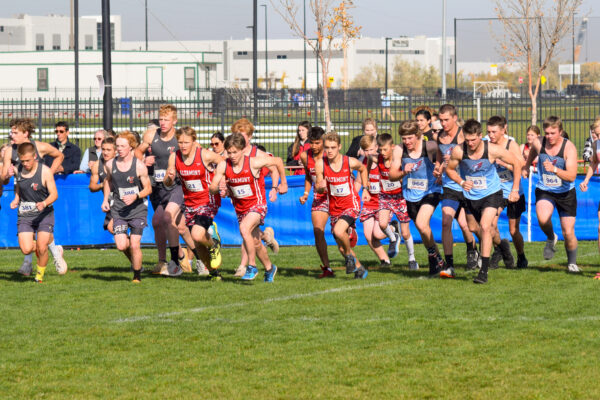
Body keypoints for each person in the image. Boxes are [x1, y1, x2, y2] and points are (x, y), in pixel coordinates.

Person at [446, 119, 521, 284]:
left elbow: (517, 162)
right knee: (474, 228)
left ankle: (483, 272)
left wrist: (515, 189)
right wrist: (461, 182)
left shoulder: (492, 149)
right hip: (471, 196)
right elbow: (449, 169)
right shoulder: (459, 151)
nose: (470, 143)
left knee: (486, 227)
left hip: (492, 194)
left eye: (473, 139)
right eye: (467, 140)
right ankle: (502, 247)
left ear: (480, 136)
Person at [209, 133, 286, 282]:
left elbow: (277, 161)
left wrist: (283, 183)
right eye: (229, 152)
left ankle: (251, 266)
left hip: (257, 205)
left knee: (244, 229)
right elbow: (212, 187)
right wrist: (219, 187)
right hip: (241, 209)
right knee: (256, 242)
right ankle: (270, 268)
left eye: (235, 152)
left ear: (242, 150)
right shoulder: (224, 165)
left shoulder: (253, 163)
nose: (232, 156)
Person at [2, 118, 67, 276]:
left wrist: (48, 174)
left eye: (15, 132)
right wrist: (7, 175)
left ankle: (54, 254)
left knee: (42, 231)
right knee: (27, 235)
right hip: (23, 198)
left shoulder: (40, 147)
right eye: (11, 131)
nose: (12, 135)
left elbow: (59, 156)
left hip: (41, 197)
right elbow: (4, 178)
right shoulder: (10, 151)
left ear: (26, 133)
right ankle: (30, 262)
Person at [135, 104, 193, 276]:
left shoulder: (180, 137)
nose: (163, 123)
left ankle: (189, 259)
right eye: (161, 119)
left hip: (177, 186)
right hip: (158, 187)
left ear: (174, 121)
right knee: (163, 223)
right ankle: (168, 260)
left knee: (170, 221)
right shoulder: (151, 135)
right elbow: (138, 152)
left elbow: (194, 154)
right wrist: (145, 160)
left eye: (167, 120)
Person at [164, 127, 224, 280]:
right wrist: (169, 177)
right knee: (197, 244)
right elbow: (167, 181)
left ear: (194, 141)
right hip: (190, 202)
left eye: (186, 142)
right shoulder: (174, 157)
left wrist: (219, 180)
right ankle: (214, 272)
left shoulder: (204, 154)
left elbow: (223, 163)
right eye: (180, 142)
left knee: (197, 235)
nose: (183, 145)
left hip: (207, 199)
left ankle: (214, 244)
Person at [523, 116, 579, 273]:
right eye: (546, 133)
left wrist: (554, 169)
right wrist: (527, 166)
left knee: (568, 232)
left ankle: (572, 263)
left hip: (566, 192)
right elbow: (534, 150)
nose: (549, 137)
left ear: (560, 132)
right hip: (545, 189)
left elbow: (572, 176)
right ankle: (551, 237)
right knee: (542, 218)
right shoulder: (539, 142)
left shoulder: (569, 148)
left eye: (553, 133)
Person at [230, 118, 286, 276]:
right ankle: (268, 262)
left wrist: (275, 187)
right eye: (236, 134)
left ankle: (245, 265)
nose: (239, 138)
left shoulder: (258, 154)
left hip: (256, 199)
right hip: (240, 201)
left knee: (245, 230)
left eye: (243, 135)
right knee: (253, 239)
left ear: (250, 136)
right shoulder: (232, 154)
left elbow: (275, 168)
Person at [315, 131, 370, 279]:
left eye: (333, 147)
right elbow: (319, 186)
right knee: (341, 245)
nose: (330, 151)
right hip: (334, 207)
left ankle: (349, 259)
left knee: (339, 232)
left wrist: (365, 188)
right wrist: (321, 187)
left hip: (351, 204)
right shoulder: (321, 164)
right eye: (327, 147)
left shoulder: (349, 161)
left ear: (339, 146)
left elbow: (363, 169)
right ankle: (359, 269)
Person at [395, 120, 447, 276]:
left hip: (431, 190)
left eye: (410, 138)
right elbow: (392, 174)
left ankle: (435, 259)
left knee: (421, 223)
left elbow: (444, 155)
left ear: (418, 135)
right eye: (404, 138)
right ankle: (437, 259)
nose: (407, 142)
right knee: (423, 230)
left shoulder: (429, 146)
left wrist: (439, 169)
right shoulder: (399, 150)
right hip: (410, 195)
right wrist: (403, 172)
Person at [435, 104, 480, 273]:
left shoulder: (463, 136)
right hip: (450, 185)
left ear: (455, 118)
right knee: (446, 222)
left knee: (465, 224)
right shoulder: (440, 136)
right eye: (441, 120)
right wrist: (438, 168)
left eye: (446, 120)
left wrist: (455, 158)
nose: (443, 123)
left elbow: (474, 157)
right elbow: (440, 155)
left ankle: (472, 250)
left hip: (466, 184)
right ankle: (449, 264)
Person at [102, 132, 152, 283]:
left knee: (135, 244)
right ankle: (137, 261)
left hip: (137, 209)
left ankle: (137, 276)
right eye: (117, 146)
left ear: (131, 147)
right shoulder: (110, 165)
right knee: (121, 245)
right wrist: (105, 199)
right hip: (119, 210)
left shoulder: (139, 166)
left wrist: (135, 196)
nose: (119, 149)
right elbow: (108, 181)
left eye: (123, 146)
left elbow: (148, 189)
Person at [10, 142, 60, 282]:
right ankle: (49, 247)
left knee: (41, 246)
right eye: (22, 160)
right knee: (26, 249)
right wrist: (16, 199)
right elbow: (19, 187)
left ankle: (39, 275)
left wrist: (44, 203)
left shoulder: (45, 171)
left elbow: (54, 194)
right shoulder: (18, 169)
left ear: (35, 156)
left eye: (28, 160)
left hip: (44, 214)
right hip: (25, 214)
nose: (25, 163)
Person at [485, 116, 527, 269]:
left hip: (514, 191)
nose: (491, 135)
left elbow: (521, 168)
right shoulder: (487, 144)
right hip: (496, 192)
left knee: (513, 230)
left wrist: (503, 163)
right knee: (490, 225)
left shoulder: (511, 145)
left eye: (494, 132)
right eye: (489, 131)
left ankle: (521, 255)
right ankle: (499, 250)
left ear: (503, 130)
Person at [376, 133, 418, 269]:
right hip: (385, 196)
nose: (382, 153)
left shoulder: (398, 160)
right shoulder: (377, 159)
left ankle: (412, 259)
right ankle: (393, 237)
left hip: (400, 198)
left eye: (385, 150)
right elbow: (368, 160)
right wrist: (365, 186)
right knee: (382, 224)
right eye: (380, 150)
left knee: (406, 233)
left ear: (392, 147)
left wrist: (401, 178)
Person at [299, 126, 334, 277]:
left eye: (317, 143)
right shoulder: (305, 156)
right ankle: (327, 268)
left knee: (339, 233)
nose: (314, 146)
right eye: (311, 143)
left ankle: (351, 258)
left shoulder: (330, 155)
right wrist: (306, 193)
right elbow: (308, 176)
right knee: (318, 232)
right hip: (319, 197)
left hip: (335, 196)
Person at [355, 135, 392, 267]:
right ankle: (385, 260)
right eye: (365, 150)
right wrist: (353, 197)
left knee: (377, 233)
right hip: (369, 202)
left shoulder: (384, 160)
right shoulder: (363, 163)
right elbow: (359, 181)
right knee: (368, 234)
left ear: (377, 147)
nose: (368, 153)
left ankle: (394, 228)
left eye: (371, 150)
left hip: (384, 202)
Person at [89, 136, 117, 235]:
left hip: (125, 202)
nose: (105, 152)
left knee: (112, 227)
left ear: (116, 151)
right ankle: (131, 246)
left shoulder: (122, 163)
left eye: (109, 150)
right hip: (111, 203)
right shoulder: (97, 165)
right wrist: (104, 184)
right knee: (113, 230)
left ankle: (132, 244)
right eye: (103, 149)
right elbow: (92, 187)